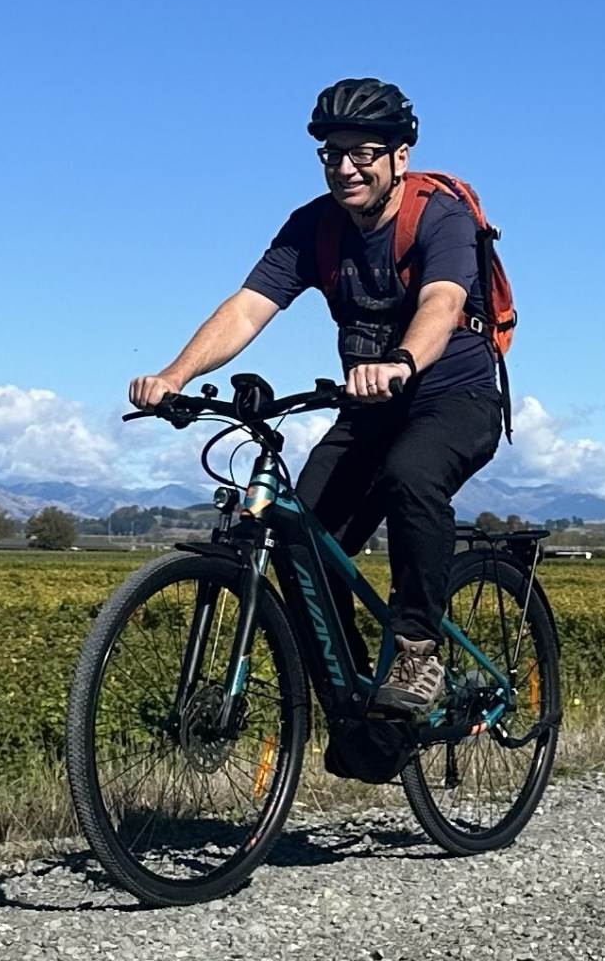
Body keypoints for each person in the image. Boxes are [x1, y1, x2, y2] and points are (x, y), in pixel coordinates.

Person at [128, 78, 506, 713]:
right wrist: (175, 375)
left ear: (398, 158)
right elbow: (248, 308)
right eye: (333, 152)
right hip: (369, 407)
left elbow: (442, 301)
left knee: (411, 475)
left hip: (455, 396)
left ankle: (417, 652)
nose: (346, 166)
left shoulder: (440, 216)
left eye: (363, 152)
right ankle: (359, 705)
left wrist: (402, 360)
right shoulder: (313, 227)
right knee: (301, 542)